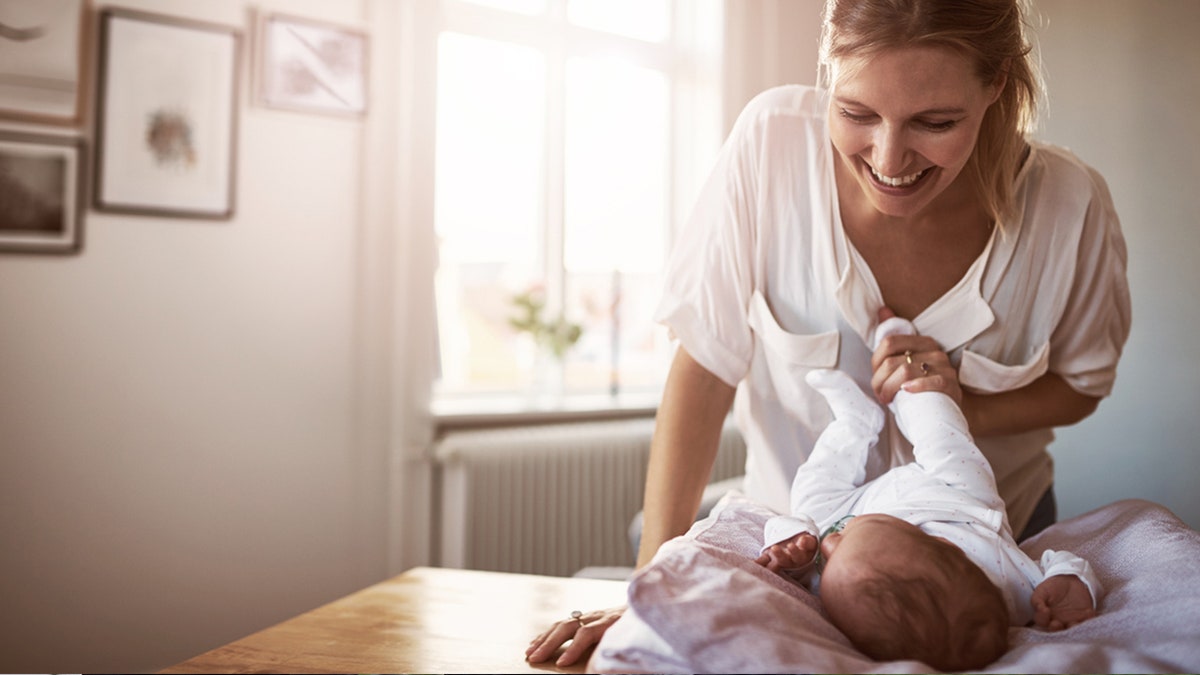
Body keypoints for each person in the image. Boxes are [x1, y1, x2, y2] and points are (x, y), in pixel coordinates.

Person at [527, 0, 1128, 666]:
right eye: (855, 113)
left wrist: (962, 405)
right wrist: (650, 589)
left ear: (997, 86)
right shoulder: (769, 146)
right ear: (827, 70)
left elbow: (1081, 384)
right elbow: (705, 364)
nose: (889, 157)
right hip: (791, 551)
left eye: (935, 121)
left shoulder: (1071, 208)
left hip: (987, 564)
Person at [754, 314, 1101, 671]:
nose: (830, 544)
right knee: (940, 431)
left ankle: (854, 423)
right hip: (955, 499)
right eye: (841, 544)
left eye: (828, 563)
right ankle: (905, 370)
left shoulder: (847, 590)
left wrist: (791, 550)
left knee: (808, 500)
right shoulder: (1013, 588)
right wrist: (1071, 584)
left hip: (861, 508)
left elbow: (800, 555)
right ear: (943, 545)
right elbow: (1057, 565)